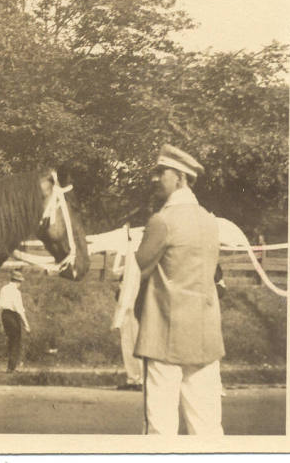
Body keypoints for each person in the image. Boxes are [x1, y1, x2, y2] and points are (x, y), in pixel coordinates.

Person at [134, 145, 225, 436]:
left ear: (181, 179)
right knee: (207, 425)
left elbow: (137, 273)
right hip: (205, 336)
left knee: (161, 427)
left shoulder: (162, 221)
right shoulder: (211, 222)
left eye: (162, 172)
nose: (156, 178)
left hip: (164, 336)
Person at [112, 225, 143, 391]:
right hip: (126, 302)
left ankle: (142, 378)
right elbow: (116, 271)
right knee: (127, 339)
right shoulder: (129, 251)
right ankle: (133, 378)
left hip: (138, 301)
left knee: (138, 338)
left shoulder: (141, 250)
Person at [0, 269, 30, 372]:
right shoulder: (16, 292)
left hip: (4, 315)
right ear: (17, 281)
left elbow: (0, 305)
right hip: (13, 316)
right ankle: (11, 367)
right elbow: (19, 309)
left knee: (10, 340)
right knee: (15, 341)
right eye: (20, 282)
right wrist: (26, 324)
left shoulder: (3, 289)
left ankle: (10, 366)